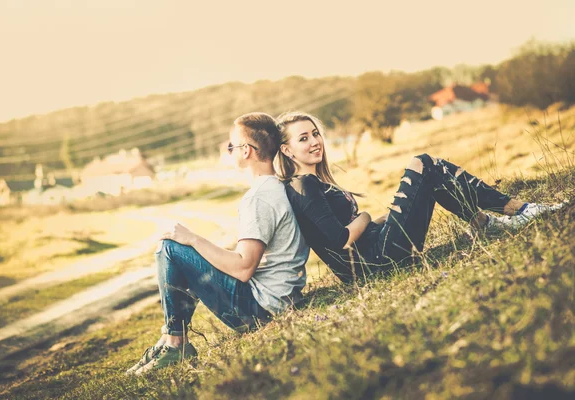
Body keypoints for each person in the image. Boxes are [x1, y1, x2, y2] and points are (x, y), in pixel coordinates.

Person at [276, 111, 566, 283]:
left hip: (378, 249)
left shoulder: (312, 182)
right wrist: (364, 217)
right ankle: (516, 210)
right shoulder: (303, 185)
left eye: (315, 134)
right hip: (378, 262)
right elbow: (340, 239)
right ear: (287, 150)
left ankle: (489, 220)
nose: (314, 142)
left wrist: (384, 217)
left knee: (432, 175)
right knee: (425, 163)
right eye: (303, 138)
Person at [127, 113, 309, 375]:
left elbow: (244, 267)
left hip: (259, 310)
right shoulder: (277, 187)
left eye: (230, 146)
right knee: (184, 251)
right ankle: (170, 339)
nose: (229, 150)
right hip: (275, 301)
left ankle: (175, 342)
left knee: (170, 248)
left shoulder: (259, 198)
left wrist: (193, 239)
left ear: (246, 151)